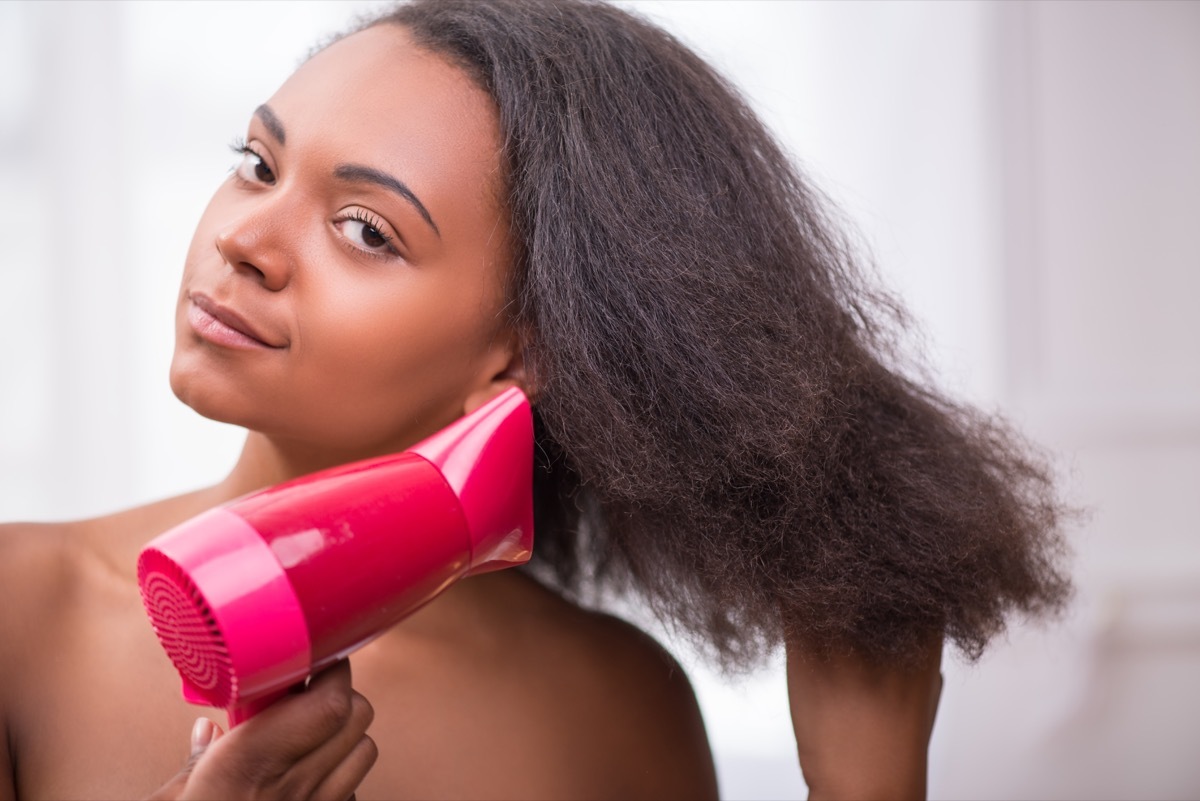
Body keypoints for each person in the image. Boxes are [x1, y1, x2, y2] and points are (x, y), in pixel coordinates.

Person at [0, 0, 1072, 798]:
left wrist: (868, 789)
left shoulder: (616, 707)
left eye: (366, 229)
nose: (244, 238)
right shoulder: (21, 616)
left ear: (525, 354)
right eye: (257, 162)